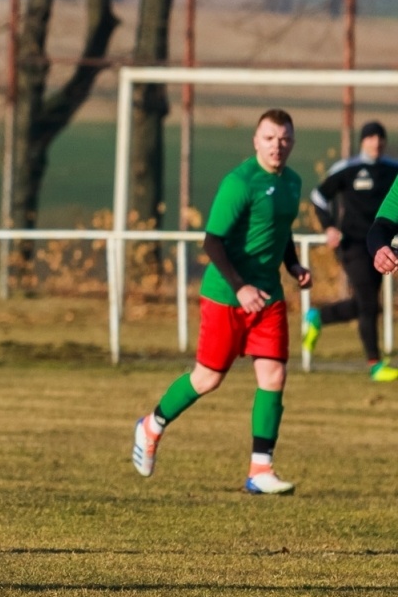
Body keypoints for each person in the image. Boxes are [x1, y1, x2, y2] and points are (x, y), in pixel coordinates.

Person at [132, 109, 309, 495]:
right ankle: (152, 424)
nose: (277, 146)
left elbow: (281, 229)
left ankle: (260, 469)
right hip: (227, 296)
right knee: (208, 378)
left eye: (284, 139)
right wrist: (241, 287)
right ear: (255, 141)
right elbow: (212, 241)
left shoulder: (293, 182)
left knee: (274, 376)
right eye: (269, 138)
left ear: (292, 141)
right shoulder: (239, 183)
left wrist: (294, 266)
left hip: (268, 298)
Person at [307, 120, 398, 381]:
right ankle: (375, 364)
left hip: (383, 246)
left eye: (380, 138)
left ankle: (318, 316)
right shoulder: (348, 169)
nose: (376, 143)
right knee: (369, 302)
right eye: (371, 138)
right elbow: (319, 197)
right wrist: (329, 227)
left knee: (365, 302)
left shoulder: (392, 169)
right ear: (362, 141)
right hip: (353, 244)